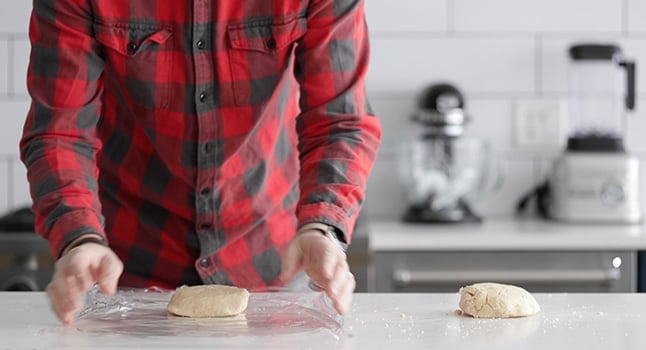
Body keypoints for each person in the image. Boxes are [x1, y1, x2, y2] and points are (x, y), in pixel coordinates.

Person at [20, 0, 381, 325]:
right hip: (124, 273)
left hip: (277, 261)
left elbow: (340, 121)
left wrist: (323, 226)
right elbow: (59, 131)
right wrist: (78, 237)